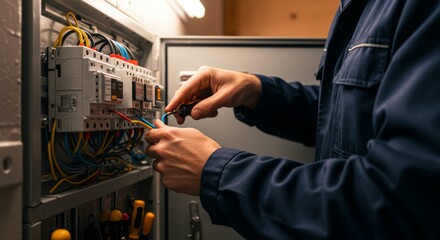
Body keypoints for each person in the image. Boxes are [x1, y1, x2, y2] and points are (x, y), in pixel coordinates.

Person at [145, 0, 440, 239]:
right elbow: (344, 117)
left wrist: (217, 173)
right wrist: (257, 92)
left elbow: (400, 202)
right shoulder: (359, 8)